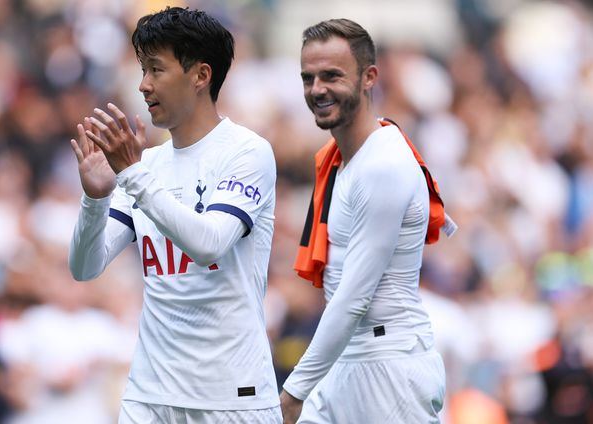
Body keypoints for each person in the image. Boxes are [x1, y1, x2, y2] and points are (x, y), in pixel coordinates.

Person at [68, 7, 281, 424]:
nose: (143, 85)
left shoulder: (246, 152)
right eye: (142, 70)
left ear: (201, 76)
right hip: (149, 396)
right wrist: (94, 200)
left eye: (156, 70)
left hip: (230, 397)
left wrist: (131, 174)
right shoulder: (149, 165)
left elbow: (208, 245)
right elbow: (84, 268)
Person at [279, 19, 456, 423]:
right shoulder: (342, 161)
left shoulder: (384, 164)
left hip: (389, 368)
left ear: (369, 77)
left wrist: (293, 392)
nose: (317, 89)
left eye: (332, 76)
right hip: (346, 361)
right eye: (308, 78)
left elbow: (355, 295)